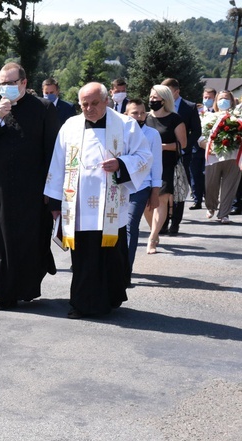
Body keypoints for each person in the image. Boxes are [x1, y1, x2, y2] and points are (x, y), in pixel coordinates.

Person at [44, 82, 151, 319]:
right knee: (83, 259)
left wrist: (121, 164)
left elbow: (145, 157)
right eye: (84, 104)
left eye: (94, 103)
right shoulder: (70, 126)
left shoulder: (126, 125)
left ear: (106, 101)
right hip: (78, 206)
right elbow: (58, 163)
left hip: (110, 207)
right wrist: (53, 202)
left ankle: (109, 298)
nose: (89, 109)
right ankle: (81, 304)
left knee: (110, 257)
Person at [0, 62, 58, 310]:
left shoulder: (43, 108)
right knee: (0, 240)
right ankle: (3, 293)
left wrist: (52, 191)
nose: (5, 88)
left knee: (29, 240)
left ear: (23, 83)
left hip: (32, 189)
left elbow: (52, 151)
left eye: (10, 83)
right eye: (1, 84)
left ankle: (26, 289)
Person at [144, 85, 186, 254]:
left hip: (167, 165)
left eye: (156, 97)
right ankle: (155, 229)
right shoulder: (145, 118)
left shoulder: (175, 119)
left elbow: (182, 144)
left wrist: (162, 147)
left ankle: (152, 238)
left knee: (161, 201)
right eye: (151, 97)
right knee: (147, 206)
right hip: (146, 166)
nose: (152, 100)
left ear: (165, 99)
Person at [124, 99, 162, 284]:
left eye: (141, 113)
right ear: (126, 115)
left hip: (141, 187)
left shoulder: (152, 134)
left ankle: (125, 272)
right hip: (120, 187)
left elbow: (156, 165)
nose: (139, 116)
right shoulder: (119, 132)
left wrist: (155, 192)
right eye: (134, 113)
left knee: (131, 226)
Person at [160, 78, 201, 234]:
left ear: (176, 91)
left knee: (178, 188)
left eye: (167, 92)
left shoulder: (189, 107)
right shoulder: (161, 107)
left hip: (182, 155)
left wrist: (184, 146)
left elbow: (196, 131)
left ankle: (175, 222)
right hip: (163, 154)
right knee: (164, 188)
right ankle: (162, 222)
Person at [198, 90, 242, 224]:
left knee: (230, 186)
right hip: (213, 157)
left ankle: (224, 214)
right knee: (211, 185)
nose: (224, 101)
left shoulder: (238, 118)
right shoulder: (208, 117)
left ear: (232, 100)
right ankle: (211, 206)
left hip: (233, 157)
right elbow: (200, 138)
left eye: (226, 98)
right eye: (221, 98)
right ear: (216, 101)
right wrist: (207, 146)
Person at [190, 87, 217, 210]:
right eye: (205, 97)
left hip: (211, 149)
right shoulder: (197, 111)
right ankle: (197, 200)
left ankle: (209, 199)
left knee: (208, 175)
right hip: (197, 148)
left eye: (210, 98)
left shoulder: (217, 112)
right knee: (195, 175)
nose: (207, 100)